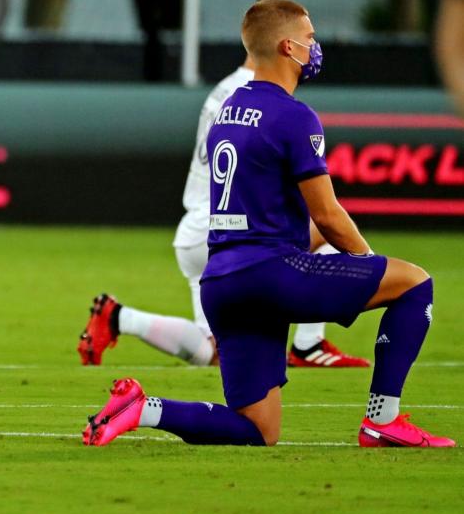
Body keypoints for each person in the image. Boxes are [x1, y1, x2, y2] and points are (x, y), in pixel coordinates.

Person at [82, 0, 454, 448]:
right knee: (414, 284)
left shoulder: (228, 108)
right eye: (310, 38)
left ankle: (143, 408)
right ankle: (382, 420)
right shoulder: (295, 116)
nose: (315, 46)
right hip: (272, 274)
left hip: (223, 280)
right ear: (287, 47)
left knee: (258, 430)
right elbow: (329, 216)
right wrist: (367, 265)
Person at [77, 57, 368, 369]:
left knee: (211, 352)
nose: (309, 49)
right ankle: (308, 344)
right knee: (326, 227)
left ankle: (119, 317)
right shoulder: (258, 92)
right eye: (303, 37)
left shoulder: (226, 88)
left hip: (197, 230)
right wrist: (369, 262)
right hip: (229, 227)